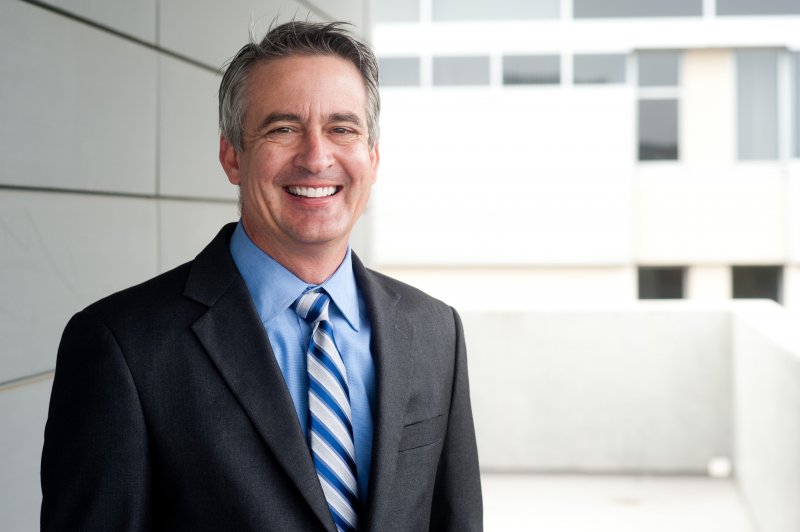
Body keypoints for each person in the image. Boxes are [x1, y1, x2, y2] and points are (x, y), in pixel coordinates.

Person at [40, 20, 482, 531]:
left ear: (373, 156)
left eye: (343, 128)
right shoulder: (124, 347)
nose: (317, 157)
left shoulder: (435, 331)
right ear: (232, 155)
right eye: (283, 128)